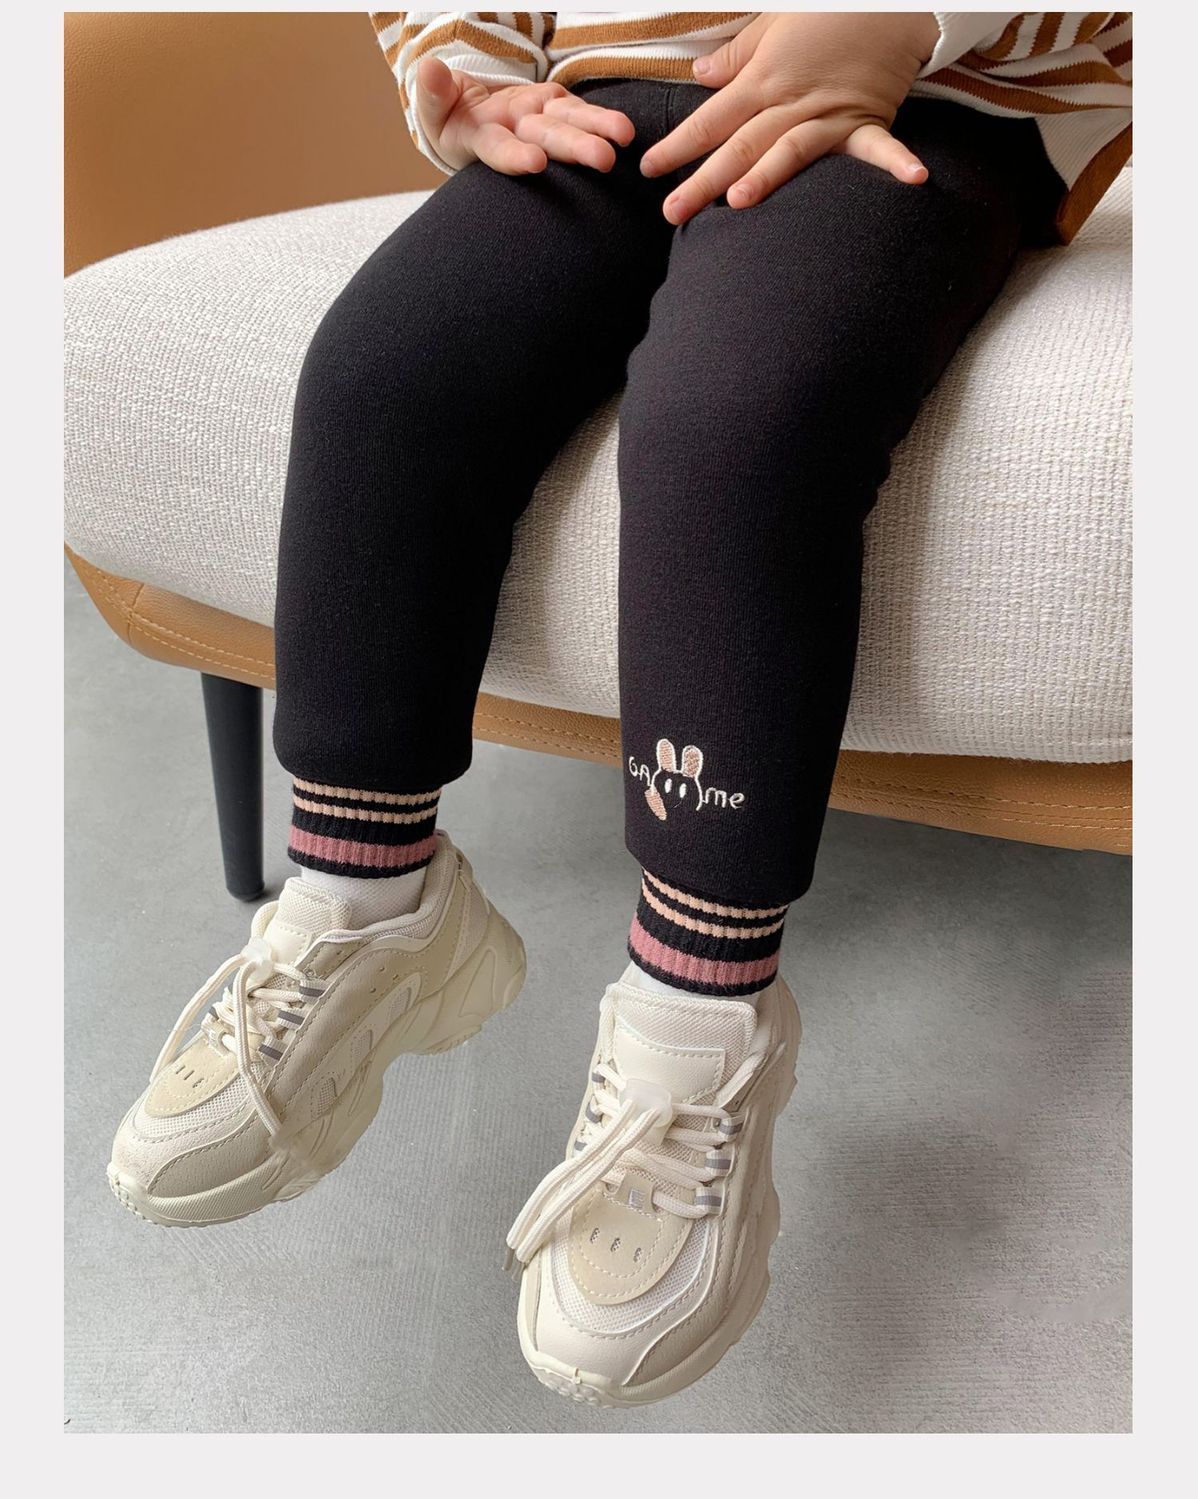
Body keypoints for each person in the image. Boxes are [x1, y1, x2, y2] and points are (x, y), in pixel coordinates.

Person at [107, 11, 1131, 1407]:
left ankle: (697, 1023)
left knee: (731, 426)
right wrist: (462, 63)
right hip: (600, 85)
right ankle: (364, 901)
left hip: (918, 99)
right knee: (382, 378)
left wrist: (902, 22)